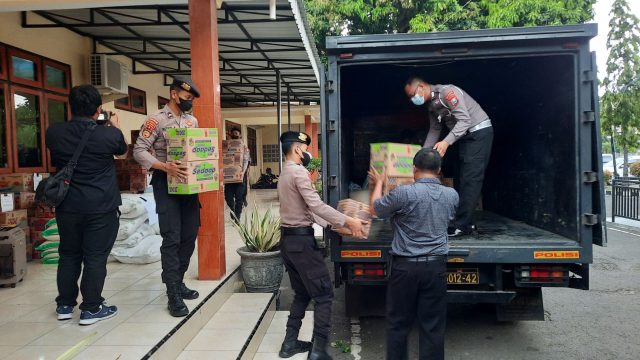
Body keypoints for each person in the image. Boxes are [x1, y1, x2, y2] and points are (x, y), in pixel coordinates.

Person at [277, 131, 367, 360]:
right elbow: (316, 206)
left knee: (302, 293)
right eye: (305, 148)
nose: (307, 152)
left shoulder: (284, 173)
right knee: (324, 295)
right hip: (301, 244)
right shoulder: (299, 173)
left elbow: (307, 210)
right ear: (297, 149)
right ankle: (318, 351)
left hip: (288, 241)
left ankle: (289, 343)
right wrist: (348, 220)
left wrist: (334, 226)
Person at [46, 85, 127, 325]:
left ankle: (64, 305)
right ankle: (91, 308)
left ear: (71, 106)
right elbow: (121, 152)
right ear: (98, 109)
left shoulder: (54, 133)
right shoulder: (108, 134)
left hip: (67, 205)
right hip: (101, 206)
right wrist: (114, 124)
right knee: (94, 257)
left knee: (68, 254)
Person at [369, 148, 458, 360]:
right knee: (433, 326)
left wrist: (379, 181)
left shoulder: (404, 193)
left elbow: (375, 210)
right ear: (438, 170)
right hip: (436, 268)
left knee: (398, 324)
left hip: (405, 268)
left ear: (414, 169)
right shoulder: (452, 195)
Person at [133, 76, 202, 317]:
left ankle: (179, 280)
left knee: (189, 235)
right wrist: (164, 166)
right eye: (186, 98)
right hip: (166, 182)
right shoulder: (156, 119)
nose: (189, 102)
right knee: (172, 238)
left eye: (191, 99)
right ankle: (172, 292)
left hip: (189, 186)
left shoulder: (192, 121)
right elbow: (138, 151)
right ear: (174, 94)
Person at [405, 77, 493, 237]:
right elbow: (434, 129)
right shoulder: (431, 106)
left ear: (422, 86)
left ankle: (461, 225)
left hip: (478, 133)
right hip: (465, 137)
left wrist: (446, 143)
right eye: (410, 97)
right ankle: (468, 223)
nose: (413, 99)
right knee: (460, 177)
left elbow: (465, 120)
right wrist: (421, 155)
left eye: (413, 94)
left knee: (470, 178)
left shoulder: (447, 92)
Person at [224, 127, 251, 220]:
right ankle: (233, 210)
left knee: (239, 198)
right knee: (228, 198)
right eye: (233, 133)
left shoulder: (244, 147)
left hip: (240, 176)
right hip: (228, 178)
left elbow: (245, 160)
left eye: (237, 133)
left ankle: (237, 216)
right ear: (230, 134)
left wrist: (242, 172)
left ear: (240, 135)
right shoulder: (226, 146)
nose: (235, 134)